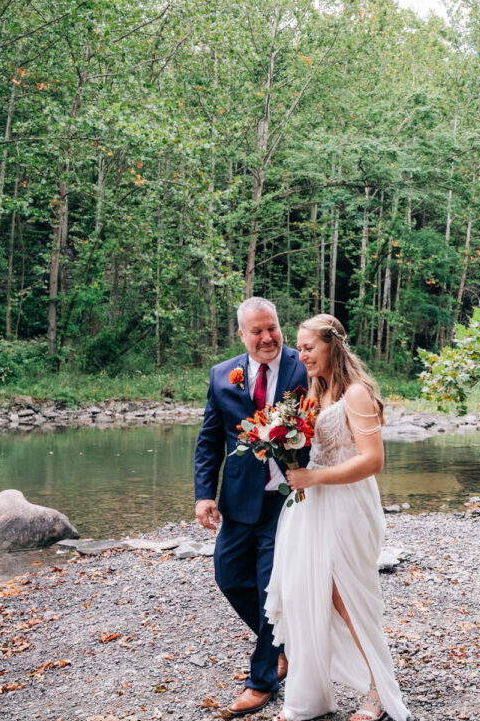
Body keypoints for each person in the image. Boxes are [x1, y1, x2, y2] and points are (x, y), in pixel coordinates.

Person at [265, 314, 412, 721]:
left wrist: (314, 476)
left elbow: (373, 461)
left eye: (309, 346)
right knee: (304, 593)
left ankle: (378, 692)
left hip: (347, 506)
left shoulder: (358, 394)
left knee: (347, 597)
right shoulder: (317, 391)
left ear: (333, 346)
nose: (301, 354)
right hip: (311, 506)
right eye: (300, 347)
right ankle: (310, 696)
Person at [194, 297, 310, 717]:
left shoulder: (305, 366)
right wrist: (204, 494)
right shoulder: (223, 375)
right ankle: (279, 641)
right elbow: (210, 440)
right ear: (241, 334)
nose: (267, 338)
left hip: (291, 501)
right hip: (240, 499)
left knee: (269, 588)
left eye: (272, 328)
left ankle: (261, 680)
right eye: (257, 331)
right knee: (228, 577)